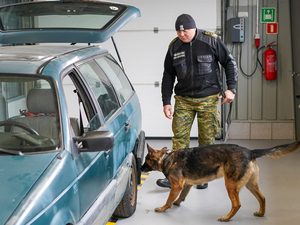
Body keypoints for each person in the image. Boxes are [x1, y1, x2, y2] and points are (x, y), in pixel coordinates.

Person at [157, 14, 238, 189]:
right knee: (179, 139)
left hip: (207, 99)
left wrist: (231, 88)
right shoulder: (174, 47)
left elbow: (229, 63)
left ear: (194, 28)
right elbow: (168, 76)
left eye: (185, 30)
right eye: (178, 30)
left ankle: (203, 176)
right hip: (183, 100)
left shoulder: (211, 41)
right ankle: (174, 175)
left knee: (206, 140)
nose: (181, 34)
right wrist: (166, 101)